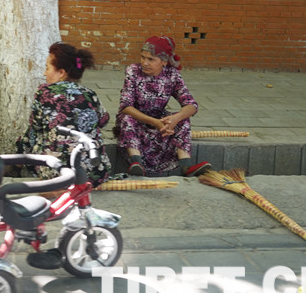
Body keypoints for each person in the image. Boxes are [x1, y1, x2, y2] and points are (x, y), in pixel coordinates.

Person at [16, 42, 113, 187]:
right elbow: (104, 120)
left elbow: (35, 126)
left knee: (35, 132)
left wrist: (21, 151)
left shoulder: (44, 92)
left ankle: (17, 164)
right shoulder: (89, 94)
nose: (44, 73)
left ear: (61, 73)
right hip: (94, 173)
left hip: (57, 173)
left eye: (47, 68)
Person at [114, 35, 211, 177]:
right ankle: (136, 162)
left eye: (151, 59)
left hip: (160, 121)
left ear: (164, 62)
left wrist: (175, 119)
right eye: (143, 57)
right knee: (127, 118)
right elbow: (126, 106)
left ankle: (186, 166)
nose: (144, 63)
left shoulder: (172, 75)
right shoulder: (133, 71)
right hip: (137, 120)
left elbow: (191, 104)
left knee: (183, 119)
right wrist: (154, 122)